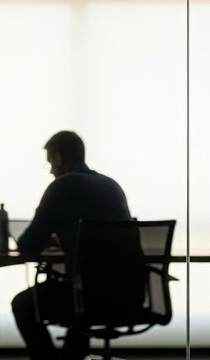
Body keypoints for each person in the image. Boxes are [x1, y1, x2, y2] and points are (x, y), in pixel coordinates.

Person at [11, 130, 132, 360]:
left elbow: (27, 245)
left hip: (84, 295)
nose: (51, 171)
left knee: (23, 305)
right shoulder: (111, 185)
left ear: (57, 158)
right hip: (126, 294)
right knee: (80, 294)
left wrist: (47, 238)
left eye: (50, 164)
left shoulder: (61, 186)